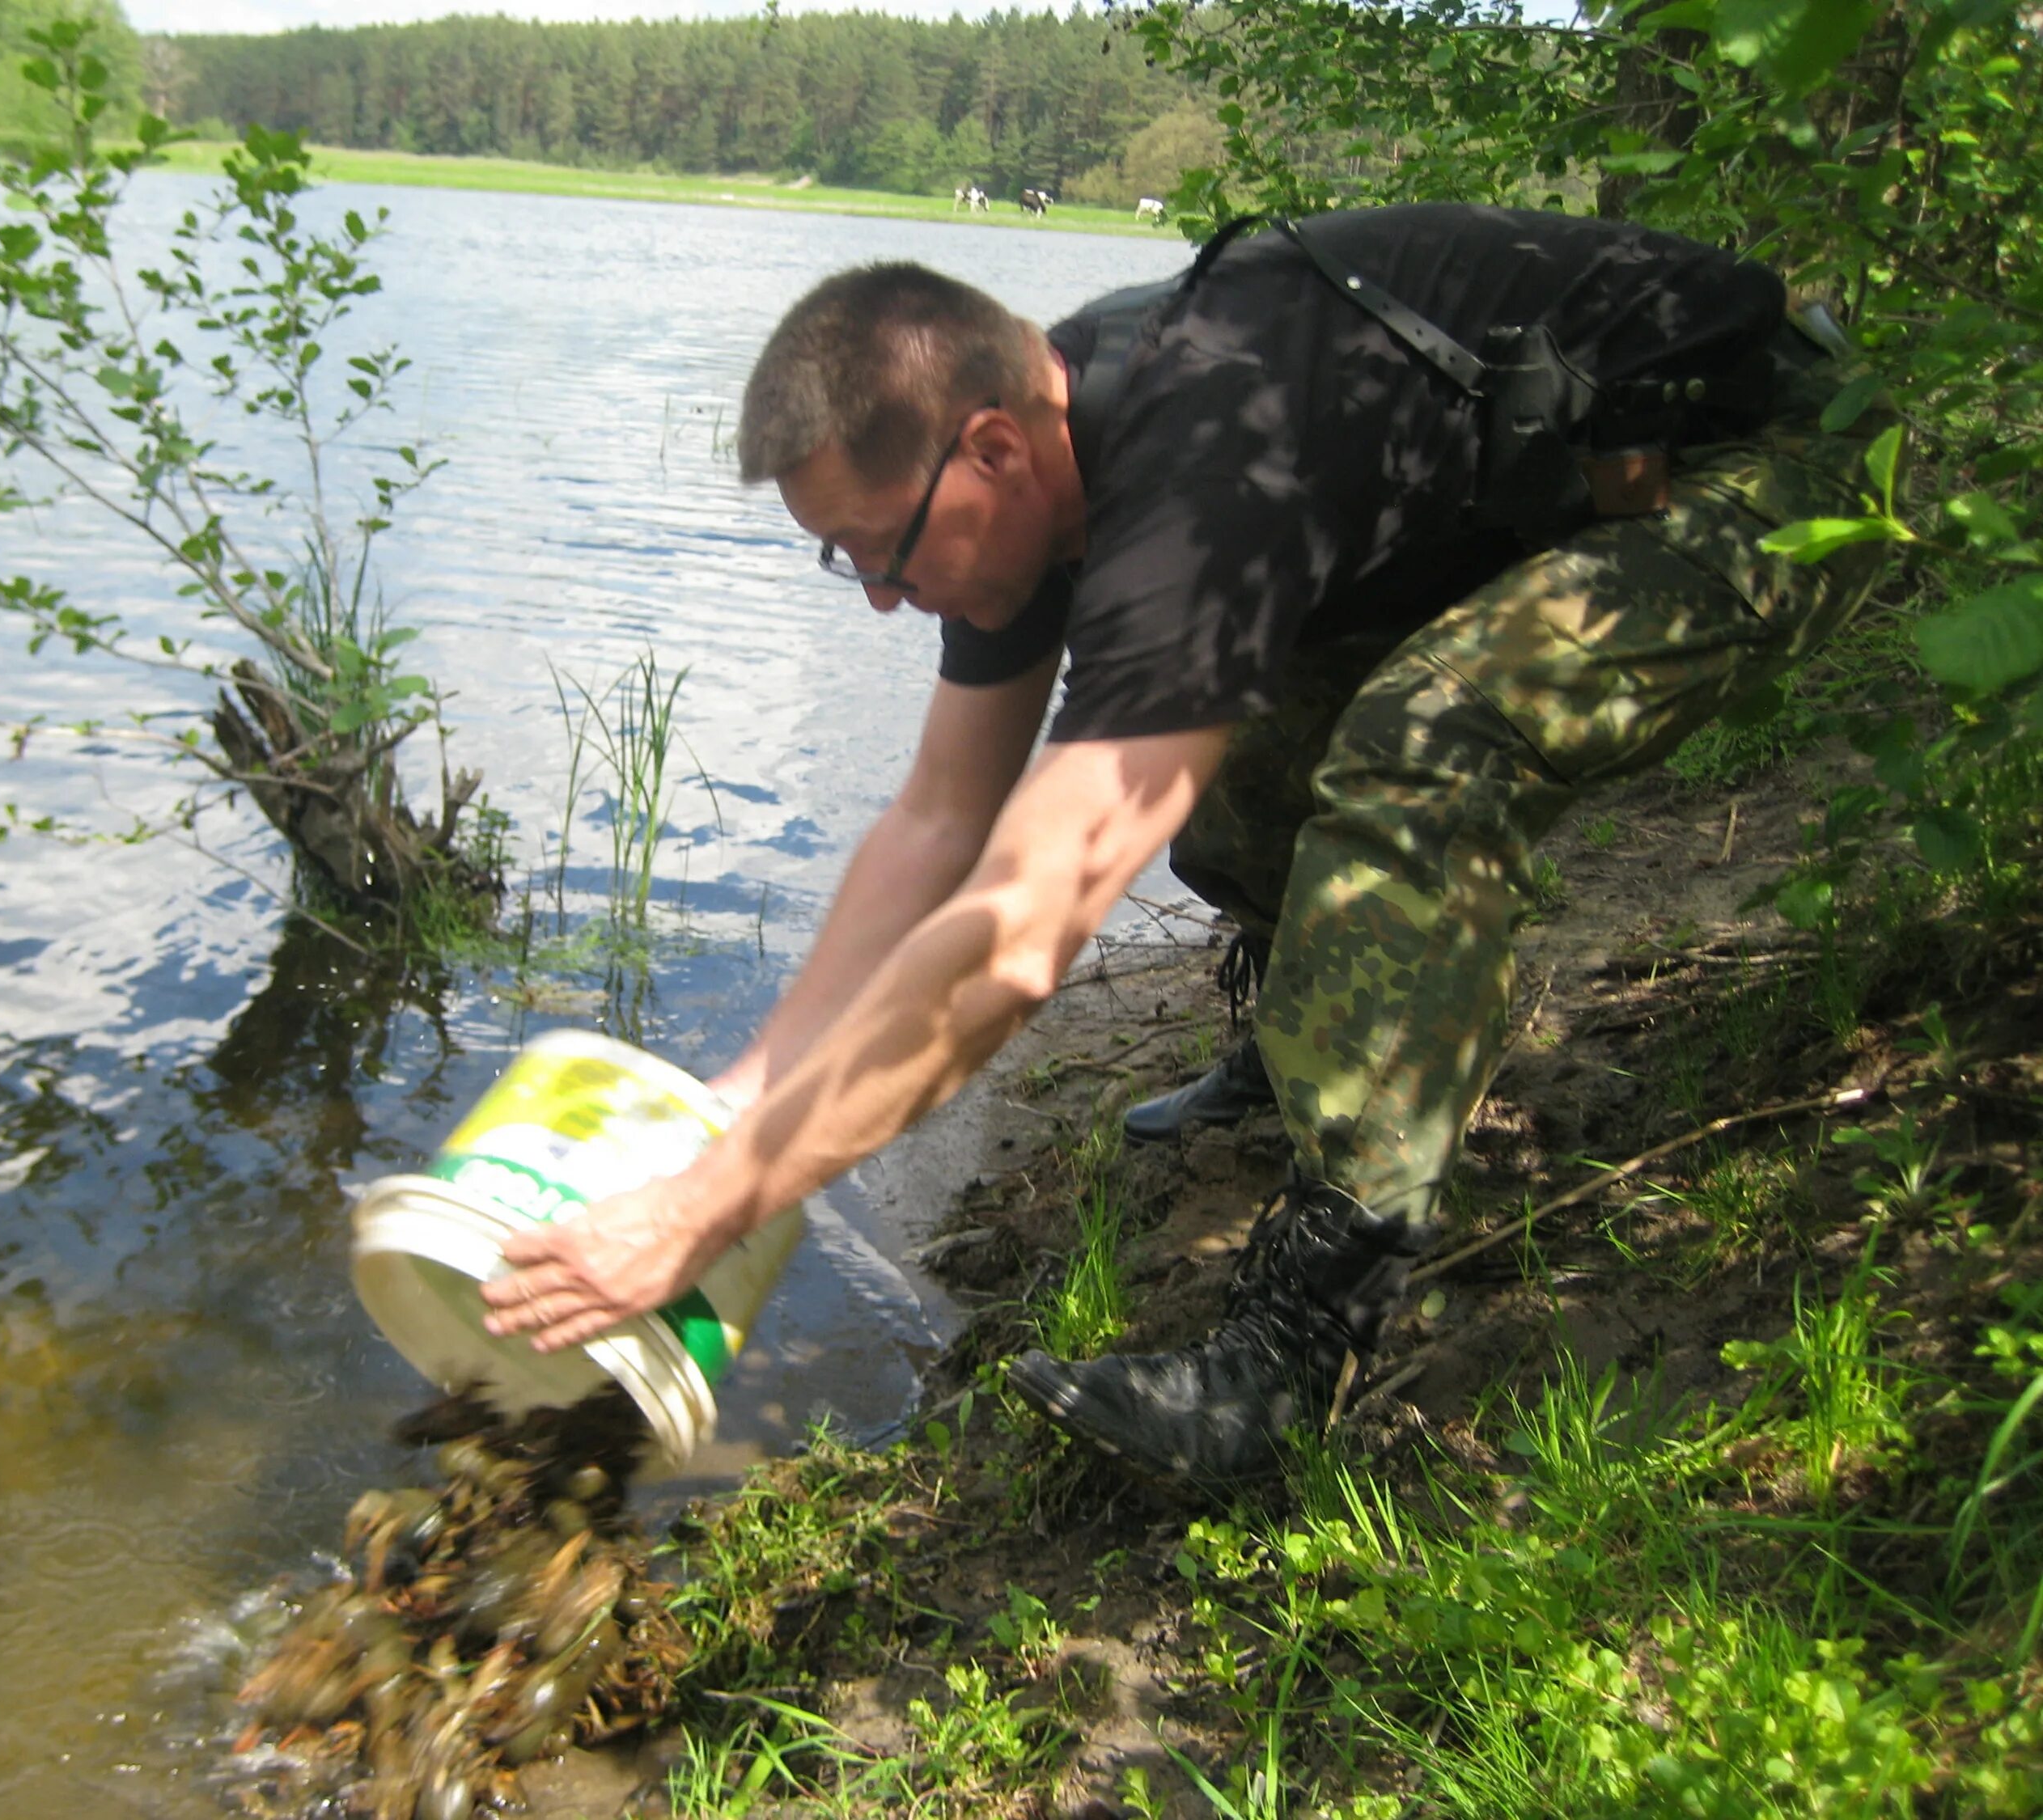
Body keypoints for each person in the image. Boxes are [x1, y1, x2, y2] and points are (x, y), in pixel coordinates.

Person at [480, 203, 1889, 1492]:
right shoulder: (1038, 458)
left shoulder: (1207, 451)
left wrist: (712, 1208)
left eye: (883, 553)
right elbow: (936, 821)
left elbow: (1025, 930)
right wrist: (737, 1100)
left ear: (989, 449)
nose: (882, 600)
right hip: (1545, 504)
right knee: (1208, 743)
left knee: (1421, 743)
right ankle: (1307, 1027)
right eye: (846, 561)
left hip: (1784, 467)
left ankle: (1289, 1352)